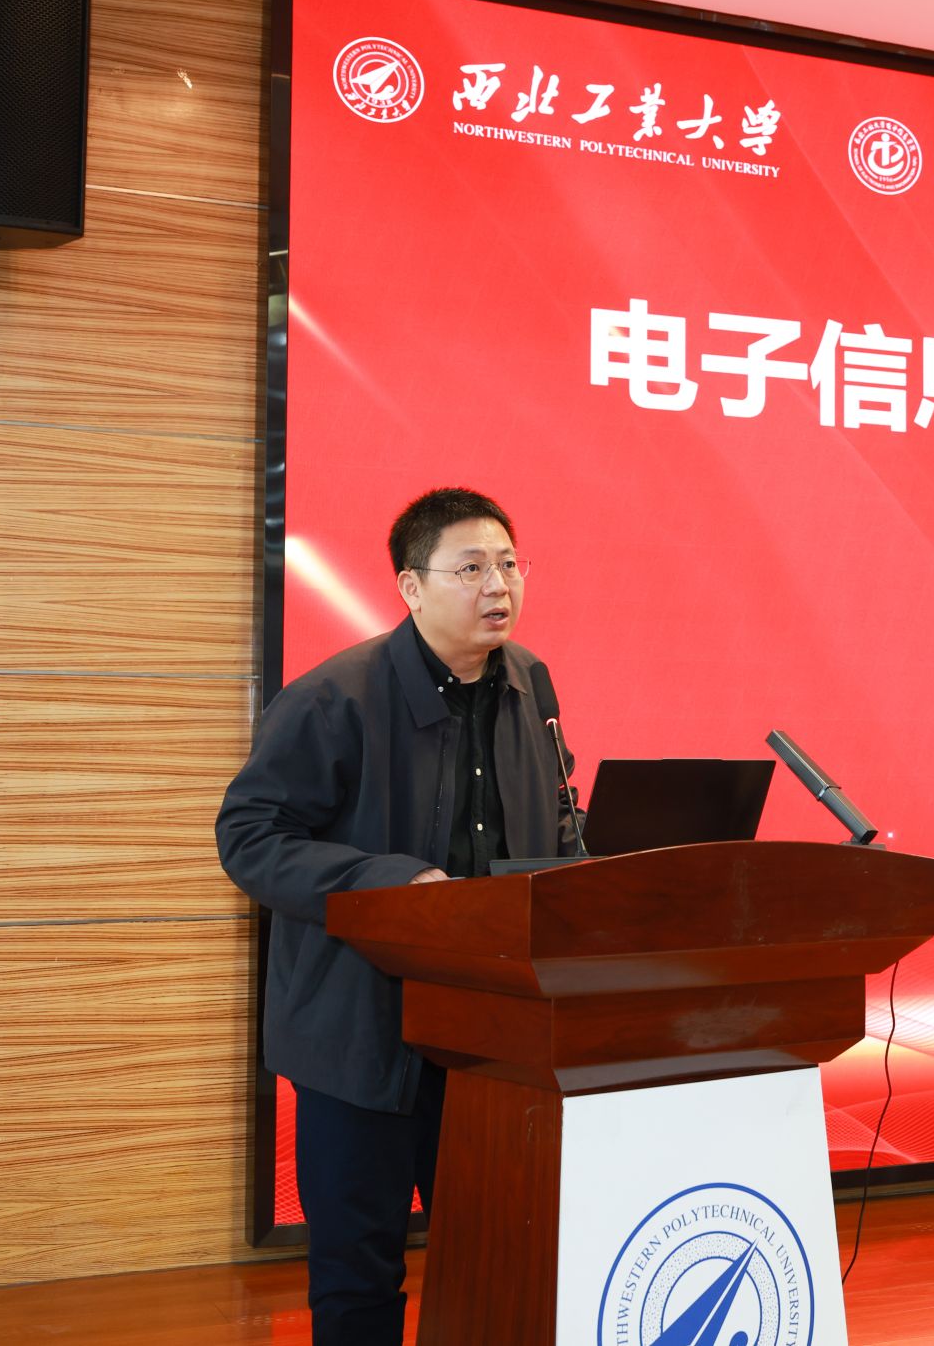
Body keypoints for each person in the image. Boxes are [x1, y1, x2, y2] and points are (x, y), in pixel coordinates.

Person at [217, 487, 578, 1346]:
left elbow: (558, 821)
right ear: (411, 587)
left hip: (489, 1039)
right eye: (471, 567)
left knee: (495, 1258)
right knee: (360, 1274)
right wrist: (389, 880)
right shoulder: (335, 697)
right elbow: (249, 835)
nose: (498, 585)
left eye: (509, 564)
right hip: (360, 1037)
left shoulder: (529, 682)